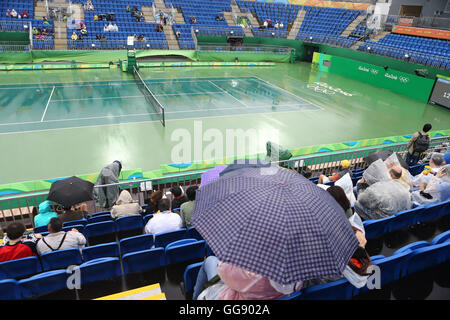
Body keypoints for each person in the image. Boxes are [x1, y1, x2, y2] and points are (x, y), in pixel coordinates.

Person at [193, 256, 303, 300]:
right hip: (277, 295)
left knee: (210, 260)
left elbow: (223, 272)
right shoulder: (299, 267)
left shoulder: (249, 274)